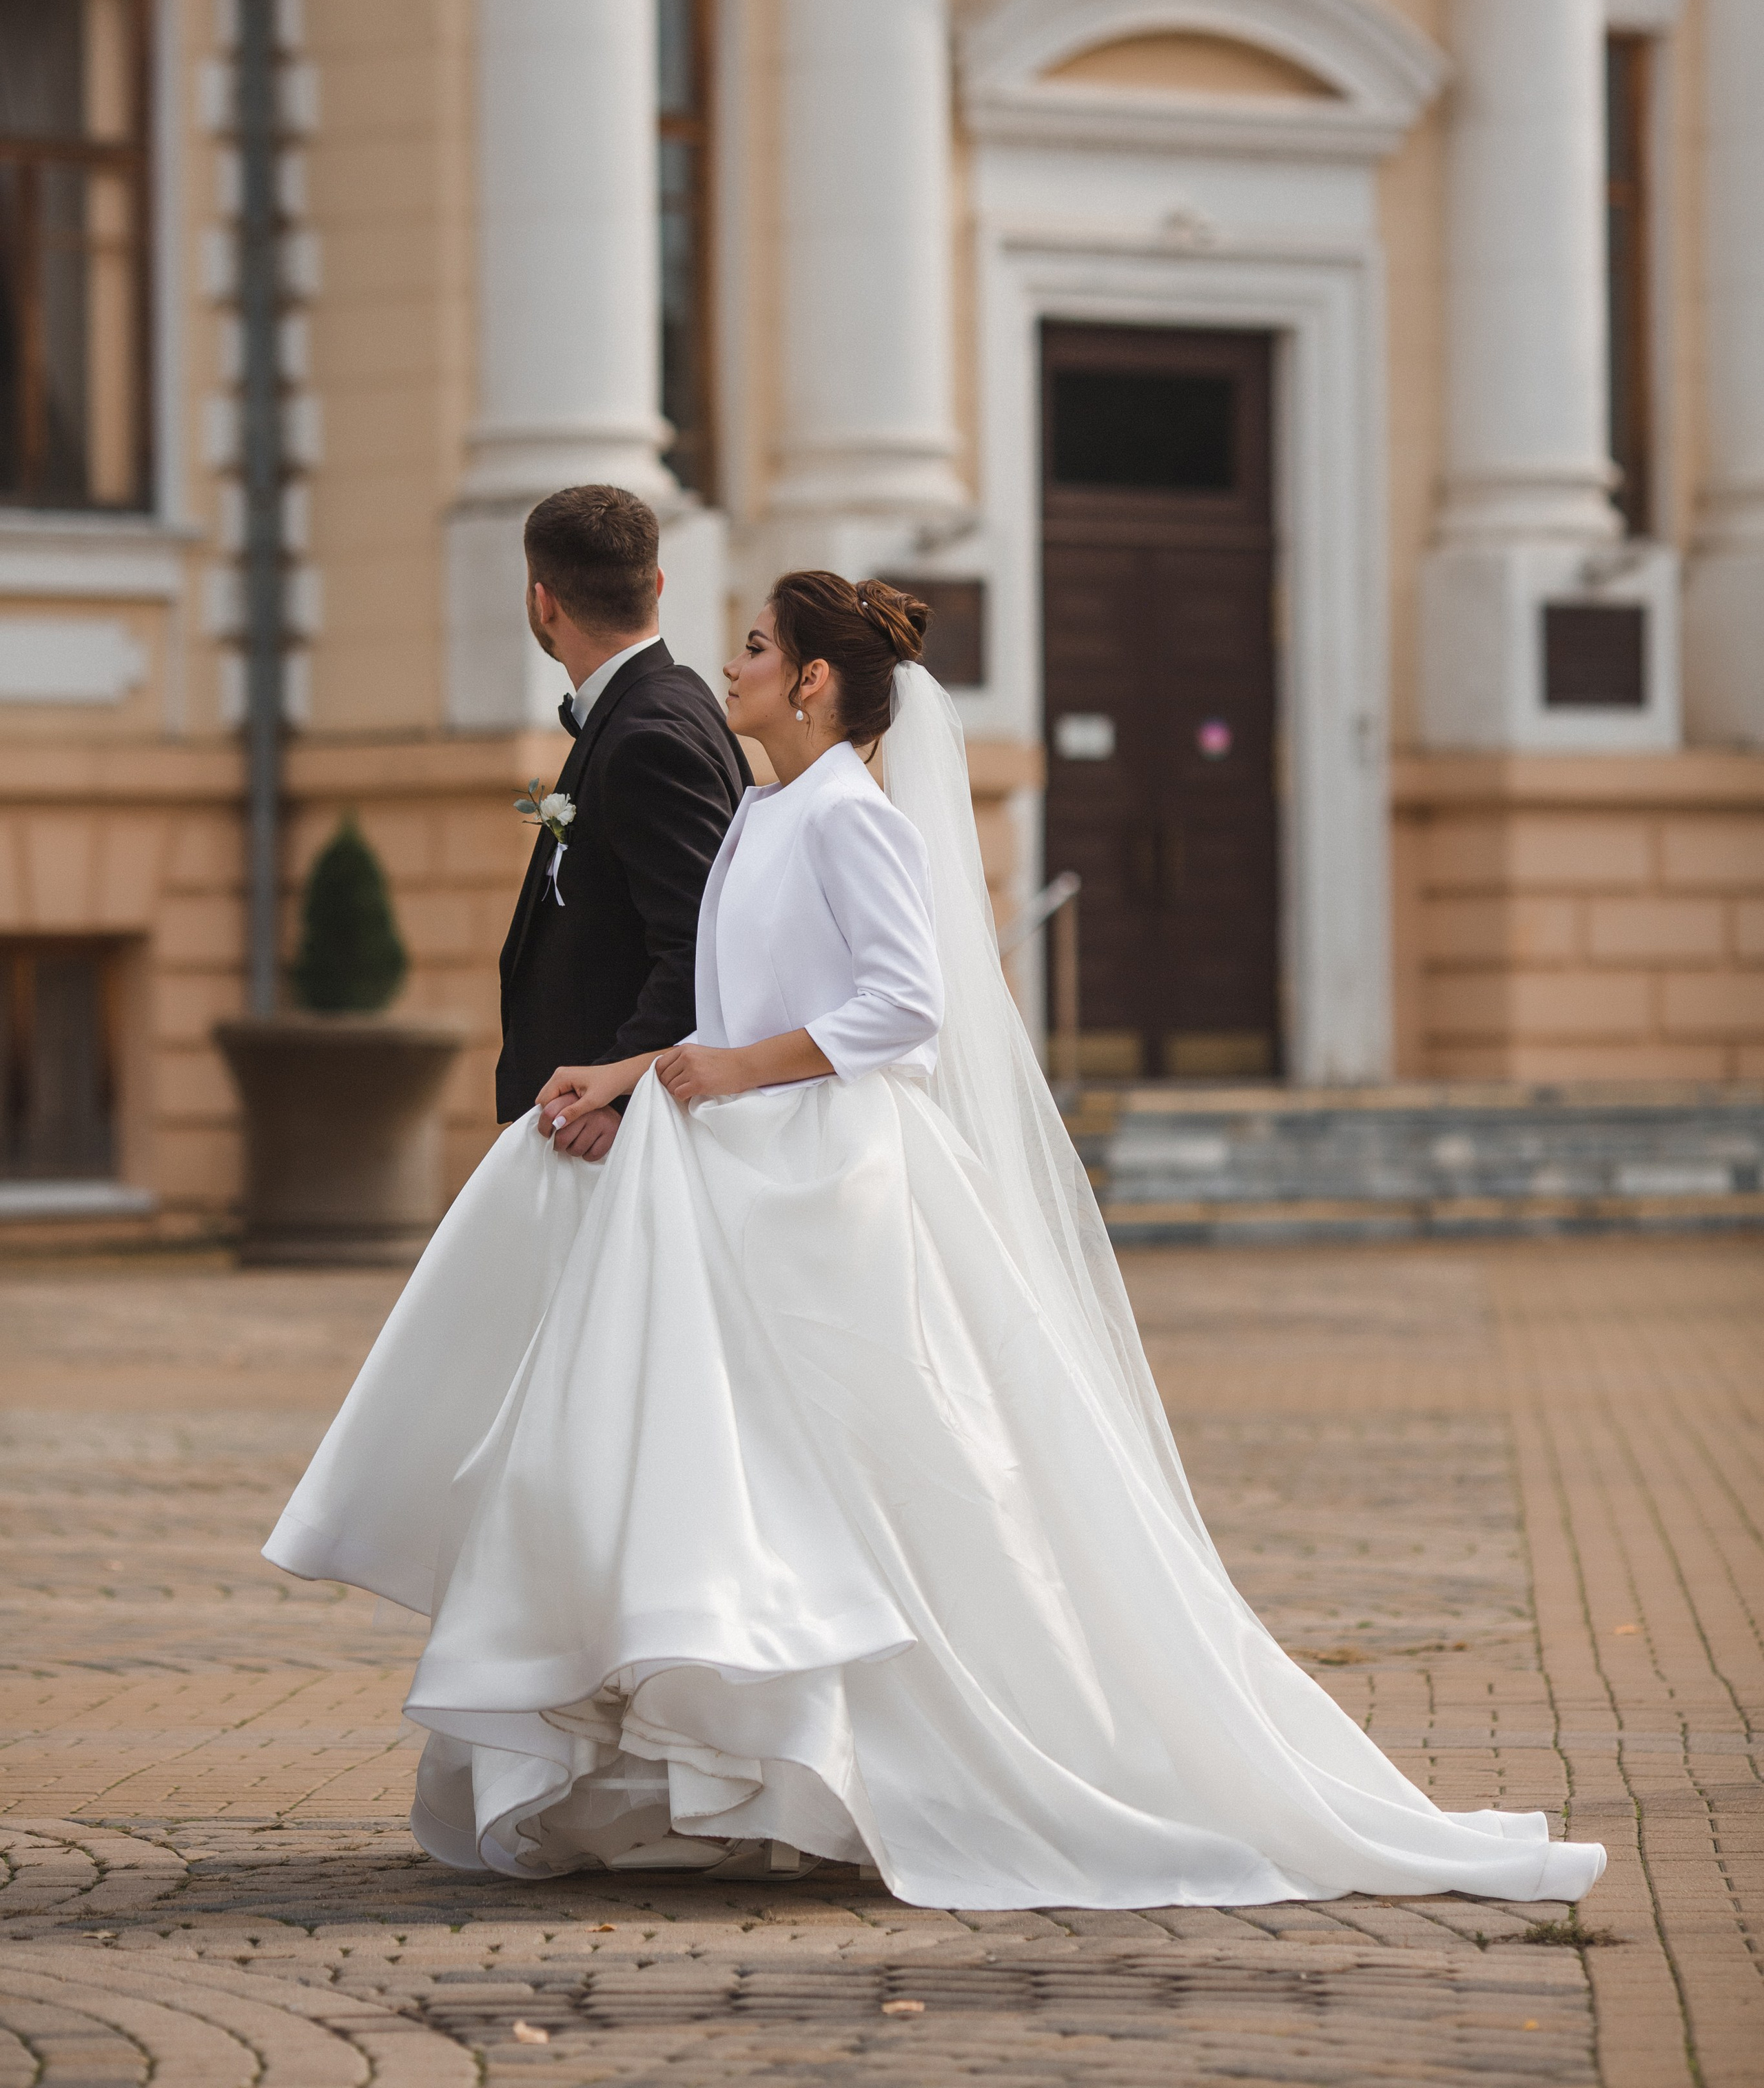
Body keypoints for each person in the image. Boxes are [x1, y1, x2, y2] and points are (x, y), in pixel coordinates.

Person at [265, 573, 1606, 1912]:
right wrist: (629, 1073)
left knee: (865, 1484)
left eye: (752, 649)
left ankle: (925, 1761)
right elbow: (740, 1004)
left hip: (826, 1190)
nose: (728, 668)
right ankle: (774, 1771)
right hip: (741, 1178)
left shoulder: (850, 815)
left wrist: (735, 1074)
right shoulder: (770, 810)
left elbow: (907, 1007)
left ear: (809, 683)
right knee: (750, 1485)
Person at [496, 484, 750, 1158]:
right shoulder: (674, 699)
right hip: (596, 1116)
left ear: (541, 601)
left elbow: (699, 942)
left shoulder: (647, 737)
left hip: (614, 1136)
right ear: (658, 583)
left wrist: (627, 1095)